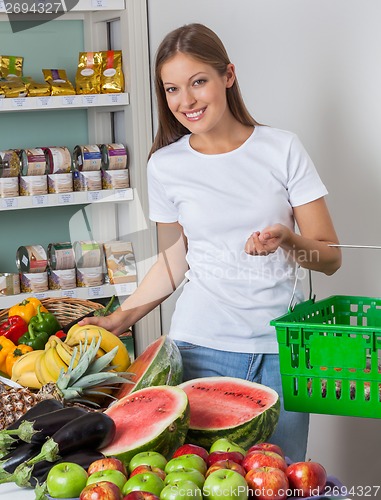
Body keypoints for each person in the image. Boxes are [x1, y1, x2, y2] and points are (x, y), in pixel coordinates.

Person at [80, 23, 342, 461]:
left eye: (198, 81)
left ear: (229, 76)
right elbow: (171, 262)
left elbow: (330, 256)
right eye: (172, 89)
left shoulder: (282, 149)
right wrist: (119, 319)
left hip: (282, 353)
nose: (186, 101)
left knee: (282, 482)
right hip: (198, 348)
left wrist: (288, 239)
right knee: (195, 484)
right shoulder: (165, 165)